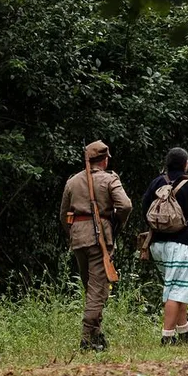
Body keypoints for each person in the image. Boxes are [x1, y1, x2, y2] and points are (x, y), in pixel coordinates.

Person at [60, 140, 132, 352]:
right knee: (97, 290)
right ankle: (86, 338)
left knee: (91, 287)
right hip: (100, 238)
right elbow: (126, 205)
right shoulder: (109, 180)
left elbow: (64, 214)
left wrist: (73, 233)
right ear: (105, 159)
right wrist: (116, 224)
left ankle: (96, 334)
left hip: (78, 239)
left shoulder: (72, 181)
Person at [142, 147, 188, 345]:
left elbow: (144, 208)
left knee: (180, 287)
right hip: (182, 244)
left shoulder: (157, 183)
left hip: (157, 244)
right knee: (176, 290)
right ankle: (167, 337)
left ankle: (185, 331)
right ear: (186, 164)